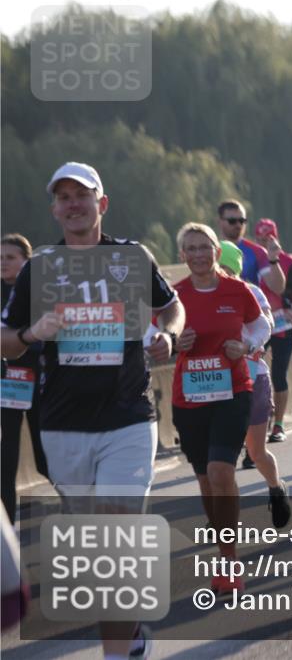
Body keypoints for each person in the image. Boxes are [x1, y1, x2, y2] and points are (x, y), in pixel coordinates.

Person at [0, 162, 183, 660]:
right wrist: (34, 334)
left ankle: (115, 653)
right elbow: (6, 341)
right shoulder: (39, 267)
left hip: (128, 417)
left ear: (101, 204)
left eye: (82, 195)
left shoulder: (132, 257)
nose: (72, 204)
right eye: (63, 197)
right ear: (54, 209)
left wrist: (166, 332)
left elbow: (171, 305)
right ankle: (131, 623)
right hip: (62, 425)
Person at [171, 224, 271, 595]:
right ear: (182, 255)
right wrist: (174, 341)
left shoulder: (237, 289)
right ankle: (221, 544)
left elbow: (262, 324)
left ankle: (229, 561)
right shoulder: (174, 295)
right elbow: (154, 338)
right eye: (191, 248)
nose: (198, 254)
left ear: (217, 251)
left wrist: (246, 346)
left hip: (233, 392)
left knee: (220, 472)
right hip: (189, 399)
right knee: (205, 482)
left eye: (204, 247)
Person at [216, 241, 291, 527]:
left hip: (252, 379)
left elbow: (266, 325)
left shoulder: (252, 292)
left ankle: (275, 488)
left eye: (224, 269)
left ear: (234, 269)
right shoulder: (200, 294)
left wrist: (248, 345)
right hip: (215, 383)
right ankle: (225, 519)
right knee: (221, 458)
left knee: (256, 452)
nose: (218, 274)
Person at [1, 234, 48, 521]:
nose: (3, 263)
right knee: (5, 463)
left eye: (10, 257)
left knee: (45, 460)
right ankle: (7, 533)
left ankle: (84, 507)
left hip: (39, 383)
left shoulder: (40, 293)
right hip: (6, 388)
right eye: (0, 258)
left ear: (26, 261)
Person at [252, 218, 292, 444]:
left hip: (283, 327)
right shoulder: (254, 260)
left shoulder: (287, 262)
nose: (264, 243)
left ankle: (278, 425)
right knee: (252, 372)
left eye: (268, 239)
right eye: (260, 239)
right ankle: (258, 418)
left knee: (278, 375)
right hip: (259, 327)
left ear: (276, 238)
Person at [216, 200, 285, 298]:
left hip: (247, 309)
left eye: (242, 221)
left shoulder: (257, 252)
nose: (238, 225)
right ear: (219, 222)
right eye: (232, 221)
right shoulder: (208, 250)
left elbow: (277, 288)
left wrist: (274, 260)